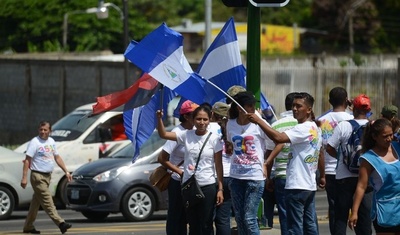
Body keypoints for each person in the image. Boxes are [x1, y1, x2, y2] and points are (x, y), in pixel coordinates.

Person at [248, 92, 324, 235]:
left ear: (309, 109)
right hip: (308, 184)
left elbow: (279, 138)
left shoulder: (303, 128)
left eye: (299, 106)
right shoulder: (314, 127)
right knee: (309, 225)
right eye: (293, 106)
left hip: (297, 184)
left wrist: (259, 121)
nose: (295, 109)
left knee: (294, 226)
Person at [156, 105, 224, 235]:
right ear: (192, 120)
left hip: (207, 186)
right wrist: (159, 119)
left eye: (205, 119)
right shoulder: (186, 135)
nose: (202, 122)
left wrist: (220, 189)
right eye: (198, 119)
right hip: (189, 186)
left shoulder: (215, 139)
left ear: (210, 120)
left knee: (206, 224)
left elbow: (218, 165)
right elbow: (163, 134)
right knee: (193, 224)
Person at [225, 91, 275, 235]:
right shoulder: (230, 124)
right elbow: (230, 144)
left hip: (254, 177)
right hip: (236, 176)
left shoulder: (259, 124)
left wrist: (266, 162)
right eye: (249, 106)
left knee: (249, 218)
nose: (252, 109)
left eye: (254, 106)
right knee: (239, 218)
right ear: (239, 108)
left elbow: (276, 142)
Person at [326, 94, 373, 235]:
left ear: (353, 108)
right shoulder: (373, 126)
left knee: (340, 216)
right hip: (366, 178)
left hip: (343, 177)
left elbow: (329, 147)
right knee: (364, 218)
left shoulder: (344, 126)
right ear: (368, 109)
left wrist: (342, 158)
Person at [348, 118, 400, 234]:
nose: (389, 139)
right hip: (385, 212)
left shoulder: (397, 147)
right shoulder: (369, 159)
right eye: (385, 136)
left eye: (391, 135)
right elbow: (361, 186)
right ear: (375, 137)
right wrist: (354, 212)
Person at [21, 121, 72, 234]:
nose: (43, 132)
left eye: (45, 130)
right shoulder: (34, 142)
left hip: (47, 176)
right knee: (48, 201)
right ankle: (61, 223)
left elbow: (57, 158)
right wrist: (24, 178)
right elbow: (27, 161)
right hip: (37, 176)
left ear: (50, 131)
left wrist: (66, 171)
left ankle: (28, 226)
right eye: (41, 130)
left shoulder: (51, 141)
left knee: (36, 203)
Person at [157, 100, 198, 235]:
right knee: (177, 216)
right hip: (177, 181)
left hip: (193, 180)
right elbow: (162, 158)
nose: (199, 118)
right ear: (186, 117)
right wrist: (179, 171)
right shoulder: (177, 132)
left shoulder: (197, 132)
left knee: (191, 216)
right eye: (195, 115)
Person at [317, 87, 353, 234]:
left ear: (330, 101)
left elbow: (319, 149)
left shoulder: (321, 120)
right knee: (353, 205)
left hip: (330, 170)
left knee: (334, 208)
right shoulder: (352, 119)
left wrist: (322, 174)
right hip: (349, 171)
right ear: (346, 100)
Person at [263, 92, 299, 235]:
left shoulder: (276, 125)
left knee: (285, 214)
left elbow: (269, 154)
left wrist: (268, 178)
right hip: (301, 176)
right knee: (301, 215)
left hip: (281, 174)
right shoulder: (305, 124)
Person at [210, 101, 233, 235]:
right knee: (224, 219)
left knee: (207, 218)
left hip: (213, 177)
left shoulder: (208, 128)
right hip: (230, 176)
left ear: (212, 114)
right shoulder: (232, 127)